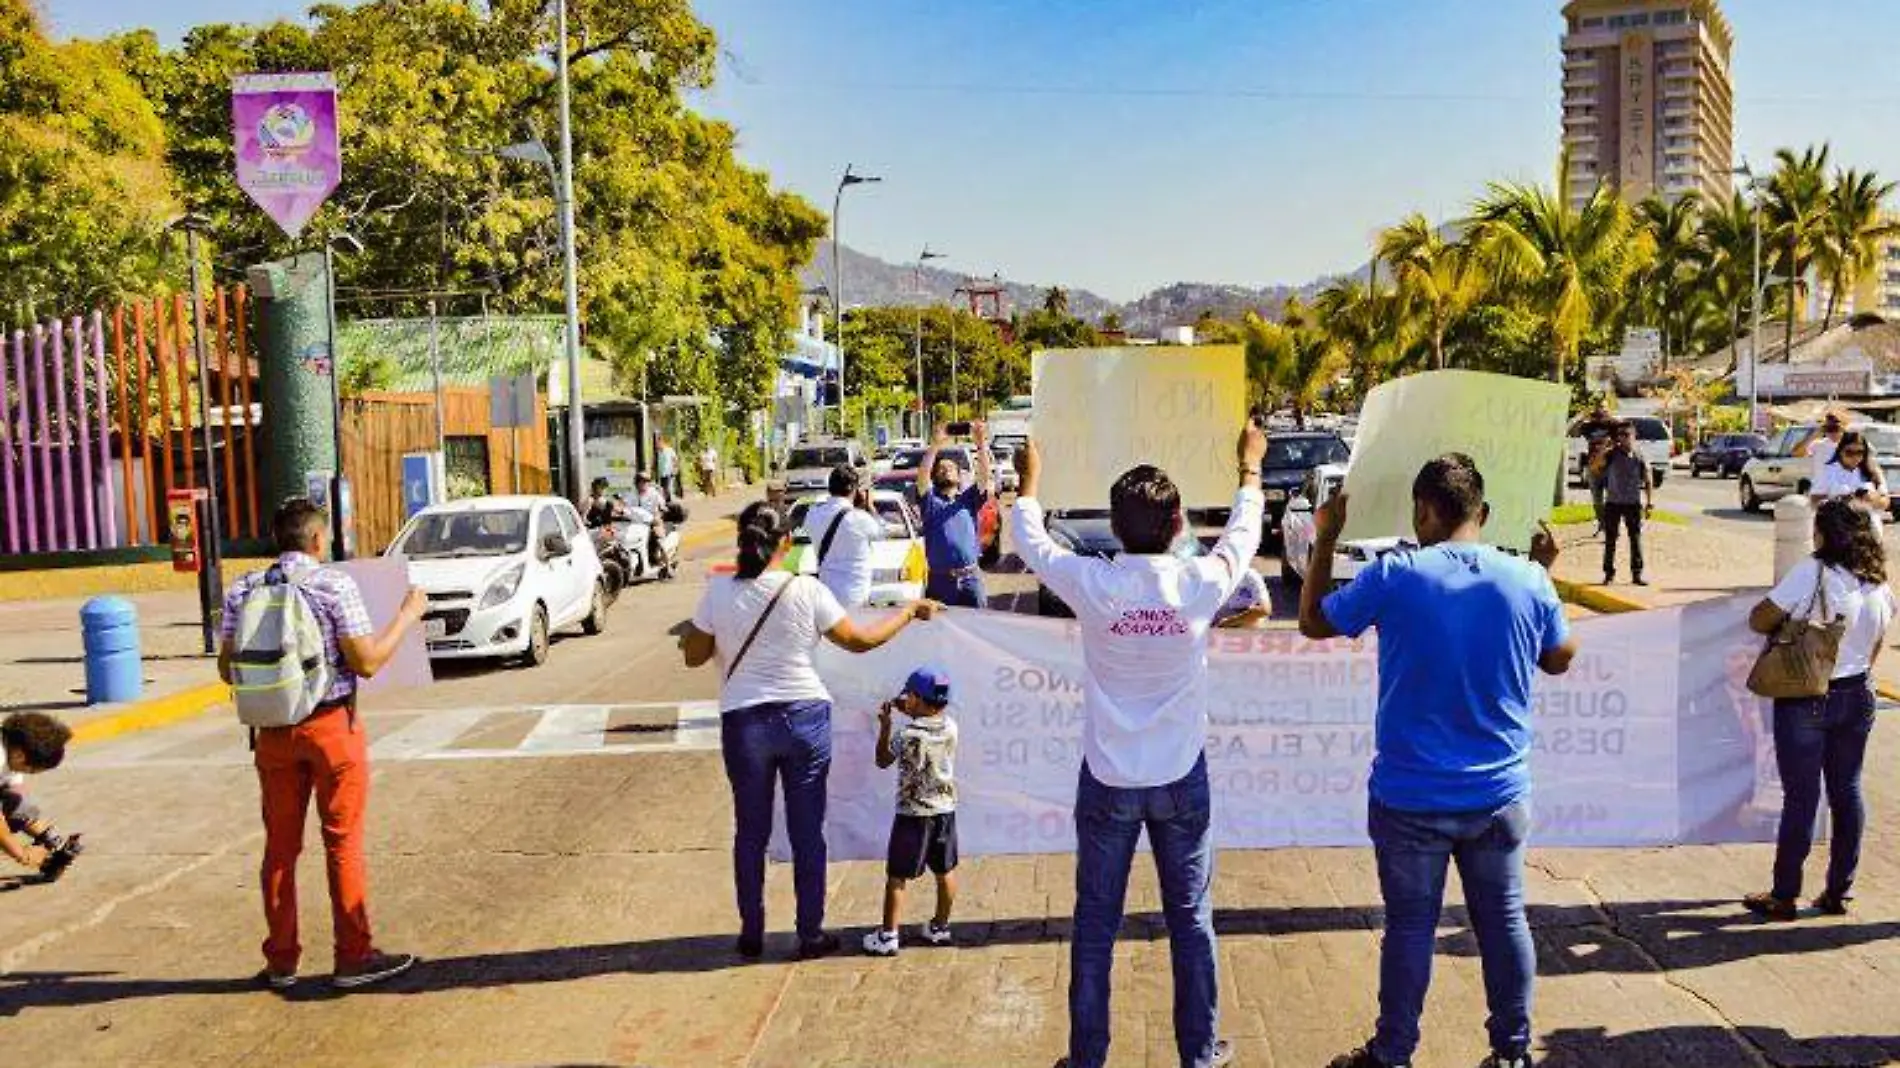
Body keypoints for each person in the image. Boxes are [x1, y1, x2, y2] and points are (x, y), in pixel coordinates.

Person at [1298, 454, 1577, 1068]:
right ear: (1485, 513)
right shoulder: (1527, 578)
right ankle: (1511, 1053)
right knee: (1504, 923)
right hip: (1498, 793)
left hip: (1411, 796)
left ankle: (1393, 1054)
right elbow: (1559, 658)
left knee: (1409, 929)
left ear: (1424, 511)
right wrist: (1544, 575)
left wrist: (1326, 539)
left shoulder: (1396, 574)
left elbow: (1314, 621)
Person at [1012, 419, 1267, 1068]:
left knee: (1096, 925)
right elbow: (1245, 534)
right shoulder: (1200, 584)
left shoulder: (1093, 584)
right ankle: (1200, 1055)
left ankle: (1088, 1058)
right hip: (1182, 780)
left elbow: (1029, 540)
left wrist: (1030, 481)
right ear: (1178, 521)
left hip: (1108, 780)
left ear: (1116, 525)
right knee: (1191, 921)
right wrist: (1249, 468)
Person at [679, 503, 940, 960]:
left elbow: (693, 656)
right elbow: (860, 642)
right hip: (804, 720)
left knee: (750, 832)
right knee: (806, 832)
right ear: (786, 544)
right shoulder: (807, 590)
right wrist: (910, 612)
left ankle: (752, 931)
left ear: (742, 539)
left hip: (744, 723)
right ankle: (810, 932)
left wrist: (704, 631)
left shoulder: (719, 591)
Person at [218, 497, 428, 991]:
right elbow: (367, 661)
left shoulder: (242, 589)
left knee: (280, 849)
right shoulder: (334, 583)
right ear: (317, 540)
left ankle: (282, 961)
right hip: (332, 727)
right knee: (342, 842)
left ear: (276, 541)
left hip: (272, 733)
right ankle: (353, 957)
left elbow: (228, 667)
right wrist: (407, 615)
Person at [1743, 498, 1896, 921]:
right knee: (1847, 791)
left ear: (1825, 533)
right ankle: (1838, 892)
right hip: (1861, 693)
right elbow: (1878, 642)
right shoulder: (1878, 583)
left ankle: (1784, 894)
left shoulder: (1813, 571)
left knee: (1801, 797)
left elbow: (1760, 619)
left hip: (1808, 695)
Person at [862, 668, 960, 958]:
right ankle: (940, 927)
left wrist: (885, 726)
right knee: (946, 871)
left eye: (909, 695)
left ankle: (889, 935)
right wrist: (913, 709)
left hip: (912, 816)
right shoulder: (951, 726)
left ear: (916, 698)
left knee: (897, 877)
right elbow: (927, 720)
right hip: (944, 811)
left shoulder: (905, 735)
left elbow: (882, 760)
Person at [917, 422, 993, 609]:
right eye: (941, 469)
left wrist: (981, 445)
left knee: (978, 631)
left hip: (970, 580)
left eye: (951, 468)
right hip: (940, 582)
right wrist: (935, 445)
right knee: (942, 634)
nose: (946, 470)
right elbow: (922, 476)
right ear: (935, 478)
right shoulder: (931, 502)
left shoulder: (968, 500)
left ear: (960, 477)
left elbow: (984, 476)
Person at [1, 712, 82, 881]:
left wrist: (51, 839)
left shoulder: (9, 750)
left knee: (12, 800)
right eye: (31, 770)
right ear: (20, 756)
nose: (29, 773)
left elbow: (16, 802)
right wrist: (21, 853)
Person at [802, 464, 883, 608]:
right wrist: (869, 505)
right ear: (853, 489)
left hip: (825, 594)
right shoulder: (861, 518)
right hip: (855, 595)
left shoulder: (813, 513)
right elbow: (880, 532)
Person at [1600, 421, 1654, 586]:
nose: (1622, 438)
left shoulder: (1640, 456)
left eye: (1626, 434)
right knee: (1610, 539)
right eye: (1620, 435)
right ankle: (1609, 574)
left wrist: (1650, 502)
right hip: (1613, 503)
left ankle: (1636, 574)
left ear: (1633, 436)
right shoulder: (1611, 454)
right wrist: (1603, 452)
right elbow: (1596, 468)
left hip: (1632, 503)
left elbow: (1648, 478)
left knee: (1635, 538)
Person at [1809, 430, 1890, 536]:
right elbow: (1814, 501)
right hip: (1837, 534)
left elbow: (1886, 501)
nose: (1855, 457)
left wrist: (1872, 499)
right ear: (1840, 451)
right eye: (1849, 452)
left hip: (1869, 532)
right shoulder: (1828, 471)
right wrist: (1842, 500)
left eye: (1860, 452)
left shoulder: (1872, 472)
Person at [1806, 410, 1848, 482]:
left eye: (1836, 428)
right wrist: (1814, 435)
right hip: (1821, 489)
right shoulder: (1817, 445)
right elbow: (1797, 453)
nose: (1833, 432)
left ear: (1843, 428)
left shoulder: (1852, 445)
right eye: (1829, 429)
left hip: (1844, 489)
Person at [1584, 436, 1611, 535]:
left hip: (1608, 469)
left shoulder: (1613, 425)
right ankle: (1602, 524)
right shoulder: (1589, 425)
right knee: (1597, 500)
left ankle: (1611, 526)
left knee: (1611, 500)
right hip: (1593, 468)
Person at [656, 436, 681, 501]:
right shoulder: (658, 452)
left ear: (662, 442)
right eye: (657, 443)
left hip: (669, 472)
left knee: (668, 488)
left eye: (659, 443)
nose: (657, 444)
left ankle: (669, 501)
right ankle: (667, 501)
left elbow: (675, 460)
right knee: (663, 488)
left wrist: (675, 469)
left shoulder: (669, 450)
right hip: (662, 473)